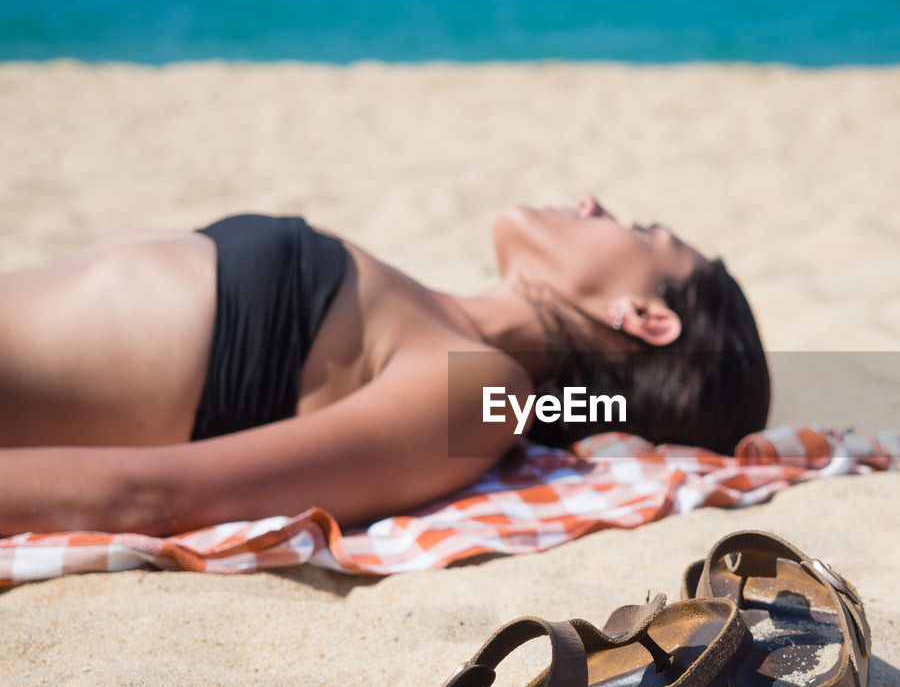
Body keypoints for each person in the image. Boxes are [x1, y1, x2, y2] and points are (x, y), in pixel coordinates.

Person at [0, 197, 770, 537]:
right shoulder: (426, 313)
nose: (592, 201)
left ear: (642, 318)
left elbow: (157, 499)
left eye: (638, 228)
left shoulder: (481, 393)